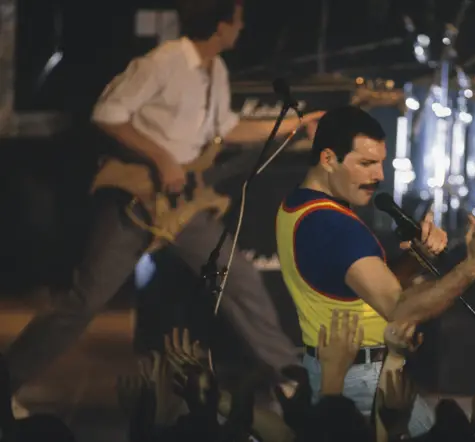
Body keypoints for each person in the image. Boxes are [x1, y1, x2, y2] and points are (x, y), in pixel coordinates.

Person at [6, 0, 322, 413]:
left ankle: (289, 382)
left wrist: (295, 124)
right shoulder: (164, 61)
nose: (242, 29)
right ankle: (6, 382)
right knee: (84, 300)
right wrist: (162, 158)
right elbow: (107, 113)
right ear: (220, 24)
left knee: (238, 279)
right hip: (137, 199)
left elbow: (226, 129)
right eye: (238, 20)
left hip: (185, 207)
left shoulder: (217, 72)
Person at [275, 106, 475, 435]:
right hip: (361, 384)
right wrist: (473, 267)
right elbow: (398, 310)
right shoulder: (336, 226)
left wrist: (417, 258)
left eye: (380, 162)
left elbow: (361, 288)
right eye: (366, 163)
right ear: (328, 159)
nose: (380, 175)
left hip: (328, 370)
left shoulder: (296, 206)